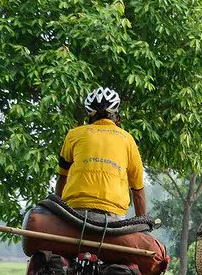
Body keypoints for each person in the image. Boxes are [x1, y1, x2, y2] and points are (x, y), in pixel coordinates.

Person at [55, 86, 146, 221]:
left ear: (90, 118)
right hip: (114, 214)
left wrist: (57, 213)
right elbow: (138, 190)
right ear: (117, 118)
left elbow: (62, 177)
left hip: (75, 211)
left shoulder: (74, 134)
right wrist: (142, 223)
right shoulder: (127, 139)